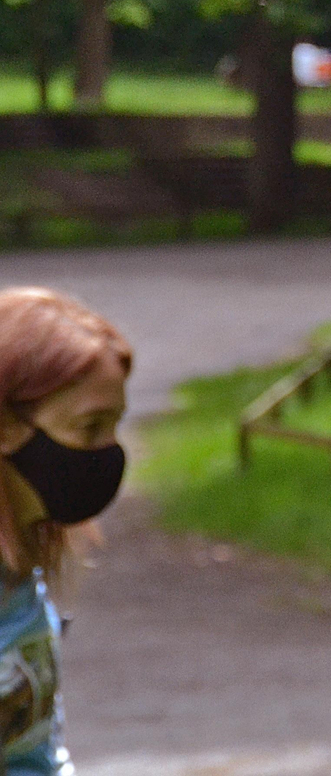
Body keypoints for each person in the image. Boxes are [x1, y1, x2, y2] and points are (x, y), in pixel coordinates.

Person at [0, 288, 130, 776]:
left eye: (114, 426)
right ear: (7, 425)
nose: (109, 454)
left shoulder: (18, 574)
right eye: (90, 427)